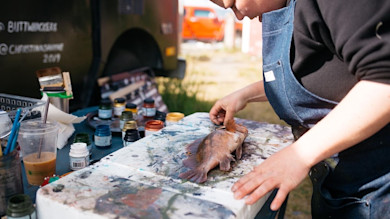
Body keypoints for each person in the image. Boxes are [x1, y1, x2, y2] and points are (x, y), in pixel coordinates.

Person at [207, 0, 390, 218]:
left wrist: (301, 154)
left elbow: (383, 83)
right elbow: (312, 76)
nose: (238, 16)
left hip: (378, 184)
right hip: (337, 182)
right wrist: (245, 95)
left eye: (234, 3)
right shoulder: (284, 11)